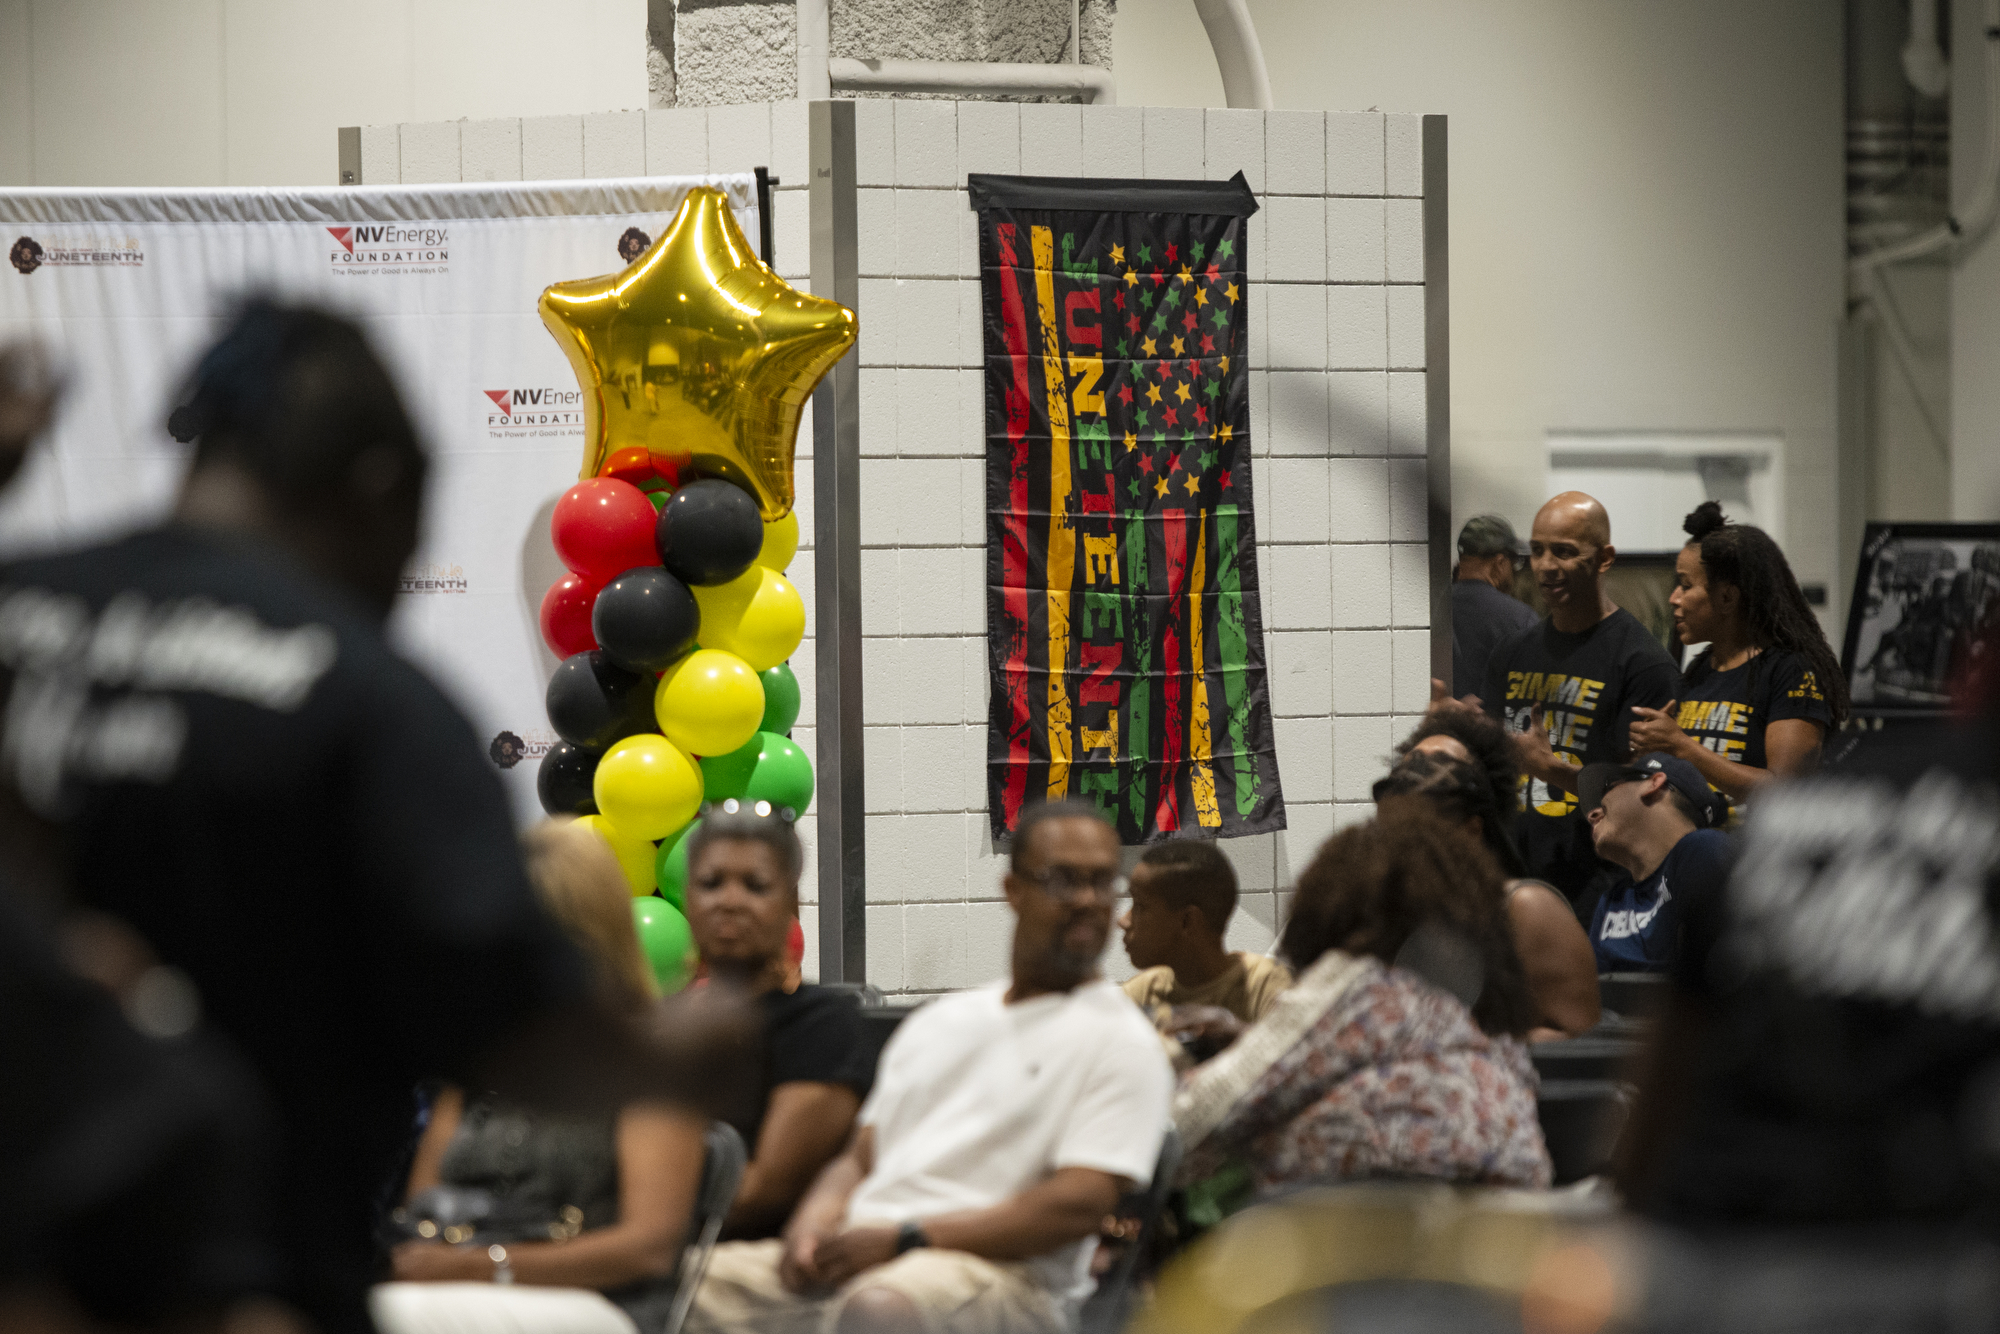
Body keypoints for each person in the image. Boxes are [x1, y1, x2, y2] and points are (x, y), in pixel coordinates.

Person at [0, 302, 745, 1333]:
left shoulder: (21, 609)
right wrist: (692, 1049)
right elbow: (530, 1047)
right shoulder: (363, 700)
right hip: (232, 1286)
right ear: (379, 488)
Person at [688, 800, 1173, 1334]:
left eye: (1101, 882)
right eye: (1062, 880)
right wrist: (812, 1224)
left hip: (1003, 1279)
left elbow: (1075, 1205)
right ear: (1013, 891)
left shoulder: (1121, 1040)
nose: (1086, 899)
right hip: (867, 1254)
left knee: (880, 1306)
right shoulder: (944, 1022)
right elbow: (858, 1158)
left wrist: (907, 1238)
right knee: (672, 1283)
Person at [372, 819, 707, 1334]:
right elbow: (421, 1211)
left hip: (603, 1304)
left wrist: (479, 1266)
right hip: (459, 1291)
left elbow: (648, 1247)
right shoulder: (479, 1060)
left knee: (395, 1316)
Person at [1172, 808, 1550, 1197]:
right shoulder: (1492, 1027)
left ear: (1334, 908)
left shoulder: (1364, 989)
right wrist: (1252, 1040)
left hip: (1333, 1246)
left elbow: (1190, 1121)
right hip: (1505, 1245)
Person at [1437, 491, 1682, 906]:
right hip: (1505, 883)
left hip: (1595, 890)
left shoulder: (1642, 663)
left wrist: (1551, 770)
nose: (1546, 567)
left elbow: (1642, 797)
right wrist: (1458, 731)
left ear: (1604, 558)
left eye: (1564, 552)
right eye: (1537, 551)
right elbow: (1495, 763)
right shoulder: (1512, 652)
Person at [680, 806, 872, 1240]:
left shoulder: (820, 1024)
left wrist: (637, 1207)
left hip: (752, 1257)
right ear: (688, 898)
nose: (730, 901)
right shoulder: (665, 1024)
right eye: (711, 883)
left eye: (755, 885)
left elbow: (761, 1194)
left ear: (790, 902)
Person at [1378, 709, 1601, 1040]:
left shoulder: (1527, 910)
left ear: (1471, 830)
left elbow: (1581, 1049)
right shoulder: (1383, 914)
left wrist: (1465, 1044)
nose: (1419, 771)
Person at [1625, 501, 1845, 802]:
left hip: (1752, 849)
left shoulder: (1790, 671)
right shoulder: (1700, 671)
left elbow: (1785, 791)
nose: (1674, 598)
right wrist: (1654, 750)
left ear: (1727, 597)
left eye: (1686, 586)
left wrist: (1681, 746)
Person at [1579, 755, 1732, 973]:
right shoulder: (1613, 900)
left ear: (1654, 783)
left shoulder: (1705, 849)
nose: (1593, 814)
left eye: (1608, 786)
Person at [1118, 840, 1292, 1031]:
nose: (1123, 921)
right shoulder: (1144, 992)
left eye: (1140, 907)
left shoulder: (1266, 985)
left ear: (1187, 921)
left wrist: (1236, 1036)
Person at [1450, 514, 1538, 699]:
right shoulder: (1521, 618)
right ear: (1499, 564)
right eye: (1513, 564)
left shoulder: (1433, 609)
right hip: (1497, 726)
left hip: (1444, 724)